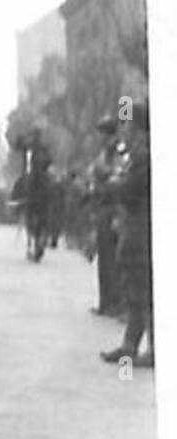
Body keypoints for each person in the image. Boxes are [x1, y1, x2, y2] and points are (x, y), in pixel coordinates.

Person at [100, 103, 152, 366]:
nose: (124, 131)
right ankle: (129, 346)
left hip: (142, 231)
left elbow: (130, 188)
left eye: (128, 125)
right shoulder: (134, 155)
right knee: (135, 289)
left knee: (144, 289)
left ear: (140, 129)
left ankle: (152, 349)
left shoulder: (144, 156)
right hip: (132, 228)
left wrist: (112, 185)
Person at [86, 113, 127, 316]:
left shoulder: (119, 153)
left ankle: (117, 303)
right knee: (104, 258)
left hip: (114, 208)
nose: (101, 138)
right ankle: (105, 302)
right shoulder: (103, 154)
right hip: (102, 207)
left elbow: (118, 177)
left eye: (103, 133)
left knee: (115, 259)